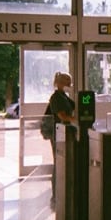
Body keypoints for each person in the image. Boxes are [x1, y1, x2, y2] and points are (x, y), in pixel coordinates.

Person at [48, 72, 75, 205]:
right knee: (59, 162)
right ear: (61, 83)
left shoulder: (63, 96)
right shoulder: (56, 98)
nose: (69, 85)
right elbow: (62, 116)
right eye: (67, 82)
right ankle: (56, 194)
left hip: (64, 132)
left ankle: (62, 192)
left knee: (62, 161)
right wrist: (76, 120)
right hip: (58, 133)